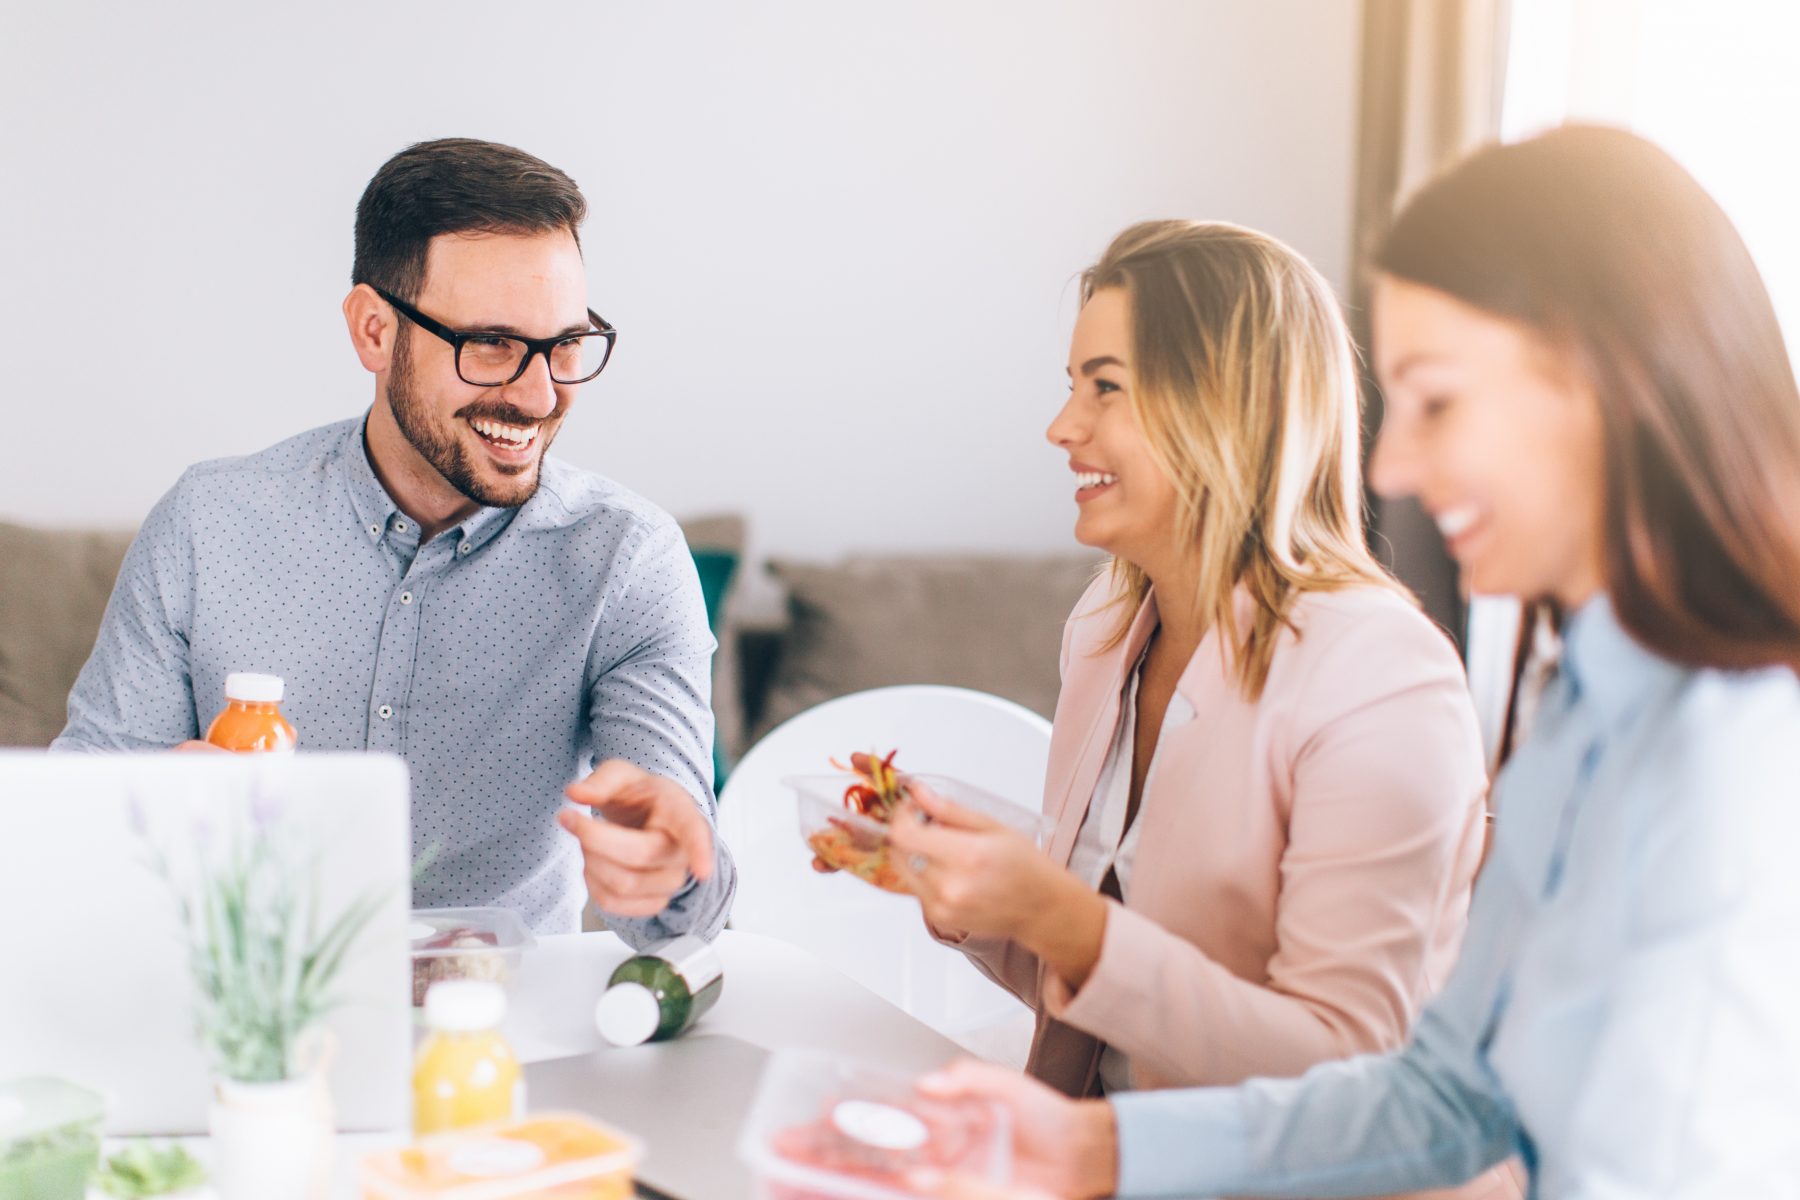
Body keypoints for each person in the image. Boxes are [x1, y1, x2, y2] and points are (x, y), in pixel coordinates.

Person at [915, 125, 1800, 1198]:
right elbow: (1450, 1097)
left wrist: (1064, 931)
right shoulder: (1572, 715)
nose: (1391, 463)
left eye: (1438, 399)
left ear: (1608, 384)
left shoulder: (1733, 750)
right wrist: (1091, 1147)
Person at [882, 220, 1518, 1198]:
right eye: (1070, 385)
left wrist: (1065, 920)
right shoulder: (1107, 629)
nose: (1062, 426)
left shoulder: (1384, 680)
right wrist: (974, 903)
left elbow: (1346, 1078)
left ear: (1231, 406)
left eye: (1105, 387)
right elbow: (1108, 1005)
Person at [54, 138, 736, 943]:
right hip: (246, 1017)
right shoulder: (209, 524)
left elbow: (681, 898)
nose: (540, 393)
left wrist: (667, 872)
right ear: (375, 331)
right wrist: (140, 814)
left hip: (501, 1032)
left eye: (565, 344)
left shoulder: (627, 561)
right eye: (491, 344)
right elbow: (68, 840)